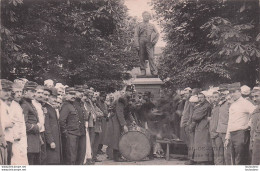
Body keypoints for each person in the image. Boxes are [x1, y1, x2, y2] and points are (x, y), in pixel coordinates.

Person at [224, 85, 256, 165]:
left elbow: (255, 114)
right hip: (232, 134)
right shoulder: (232, 105)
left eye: (233, 92)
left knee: (240, 159)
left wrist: (248, 125)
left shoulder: (245, 103)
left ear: (239, 92)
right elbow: (230, 121)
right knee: (233, 159)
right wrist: (227, 137)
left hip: (241, 134)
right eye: (230, 92)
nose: (231, 94)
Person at [105, 85, 136, 162]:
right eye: (129, 91)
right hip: (115, 118)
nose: (131, 93)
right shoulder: (121, 99)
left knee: (121, 136)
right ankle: (116, 157)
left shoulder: (128, 99)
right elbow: (119, 112)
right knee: (117, 136)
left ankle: (120, 154)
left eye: (132, 92)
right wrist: (124, 124)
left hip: (120, 118)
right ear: (126, 91)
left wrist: (133, 120)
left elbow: (128, 112)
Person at [59, 87, 86, 165]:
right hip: (71, 134)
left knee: (78, 155)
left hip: (78, 133)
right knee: (71, 157)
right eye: (70, 94)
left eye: (74, 94)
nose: (73, 96)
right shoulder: (66, 106)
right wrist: (66, 133)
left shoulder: (74, 105)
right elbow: (61, 121)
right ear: (65, 95)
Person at [20, 81, 41, 165]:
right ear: (25, 92)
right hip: (29, 140)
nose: (34, 94)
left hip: (34, 140)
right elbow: (23, 124)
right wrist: (37, 127)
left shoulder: (29, 103)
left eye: (35, 91)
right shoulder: (25, 105)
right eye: (32, 91)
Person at [134, 11, 159, 75]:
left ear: (149, 17)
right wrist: (137, 45)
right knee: (141, 56)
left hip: (149, 42)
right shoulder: (139, 25)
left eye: (148, 16)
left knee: (151, 57)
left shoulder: (152, 25)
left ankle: (153, 70)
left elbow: (157, 33)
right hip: (141, 41)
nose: (146, 17)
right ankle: (143, 70)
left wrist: (154, 42)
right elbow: (136, 35)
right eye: (145, 16)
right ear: (142, 16)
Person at [191, 93, 213, 165]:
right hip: (200, 126)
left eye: (201, 98)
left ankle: (204, 160)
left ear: (205, 98)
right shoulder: (201, 105)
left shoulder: (206, 105)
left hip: (204, 126)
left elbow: (196, 116)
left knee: (203, 143)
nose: (200, 99)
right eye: (199, 98)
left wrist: (195, 114)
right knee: (199, 143)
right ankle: (200, 159)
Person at [10, 82, 28, 165]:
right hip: (15, 139)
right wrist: (15, 135)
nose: (19, 94)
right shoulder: (11, 105)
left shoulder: (17, 105)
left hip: (22, 139)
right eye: (16, 92)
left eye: (20, 92)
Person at [44, 87, 62, 165]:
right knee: (51, 161)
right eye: (53, 97)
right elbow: (46, 126)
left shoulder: (51, 108)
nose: (55, 99)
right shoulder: (46, 108)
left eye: (55, 97)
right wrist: (50, 141)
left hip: (56, 139)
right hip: (51, 140)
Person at [216, 93, 233, 165]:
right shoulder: (221, 103)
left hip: (227, 131)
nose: (222, 94)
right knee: (220, 152)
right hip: (219, 130)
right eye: (220, 91)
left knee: (227, 153)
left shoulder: (229, 103)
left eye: (223, 91)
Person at [0, 79, 14, 165]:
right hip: (3, 140)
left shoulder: (5, 105)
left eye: (9, 90)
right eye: (5, 90)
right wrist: (8, 124)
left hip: (9, 140)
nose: (7, 93)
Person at [32, 85, 46, 164]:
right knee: (37, 156)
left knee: (42, 156)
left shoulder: (40, 104)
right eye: (38, 93)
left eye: (42, 93)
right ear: (34, 93)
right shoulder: (32, 104)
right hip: (36, 132)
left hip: (42, 131)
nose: (40, 95)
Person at [209, 91, 224, 165]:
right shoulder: (214, 107)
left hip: (218, 133)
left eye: (216, 97)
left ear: (219, 97)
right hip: (212, 133)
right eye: (213, 97)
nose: (214, 99)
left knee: (219, 153)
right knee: (215, 153)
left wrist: (218, 132)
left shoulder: (220, 107)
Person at [96, 91, 108, 155]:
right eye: (103, 97)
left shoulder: (105, 104)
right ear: (100, 96)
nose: (104, 98)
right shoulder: (98, 103)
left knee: (103, 135)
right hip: (100, 120)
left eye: (105, 97)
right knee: (100, 135)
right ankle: (97, 149)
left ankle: (100, 148)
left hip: (105, 121)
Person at [250, 87, 260, 165]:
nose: (254, 99)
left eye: (256, 96)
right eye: (253, 97)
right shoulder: (255, 109)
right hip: (255, 140)